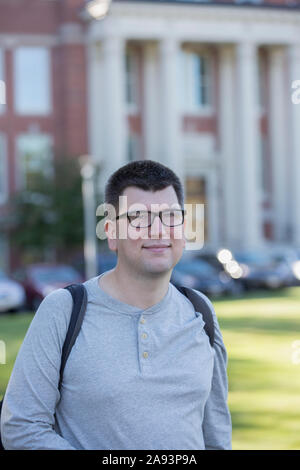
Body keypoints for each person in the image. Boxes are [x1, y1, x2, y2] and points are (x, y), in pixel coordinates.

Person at [0, 160, 232, 450]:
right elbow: (21, 426)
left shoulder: (201, 312)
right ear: (111, 232)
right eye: (138, 217)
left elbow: (216, 437)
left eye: (170, 216)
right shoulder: (63, 310)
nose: (158, 230)